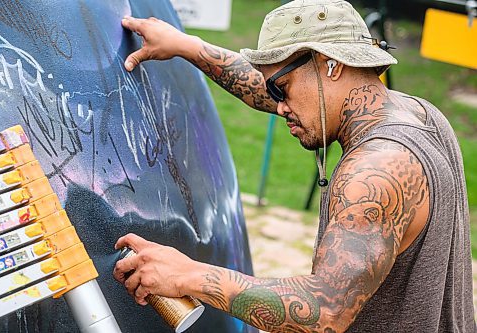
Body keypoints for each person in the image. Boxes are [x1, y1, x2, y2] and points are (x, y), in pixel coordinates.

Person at [113, 0, 475, 332]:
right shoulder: (420, 114)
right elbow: (267, 83)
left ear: (332, 65)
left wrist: (188, 275)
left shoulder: (377, 169)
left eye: (282, 89)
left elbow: (325, 308)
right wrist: (185, 45)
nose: (279, 106)